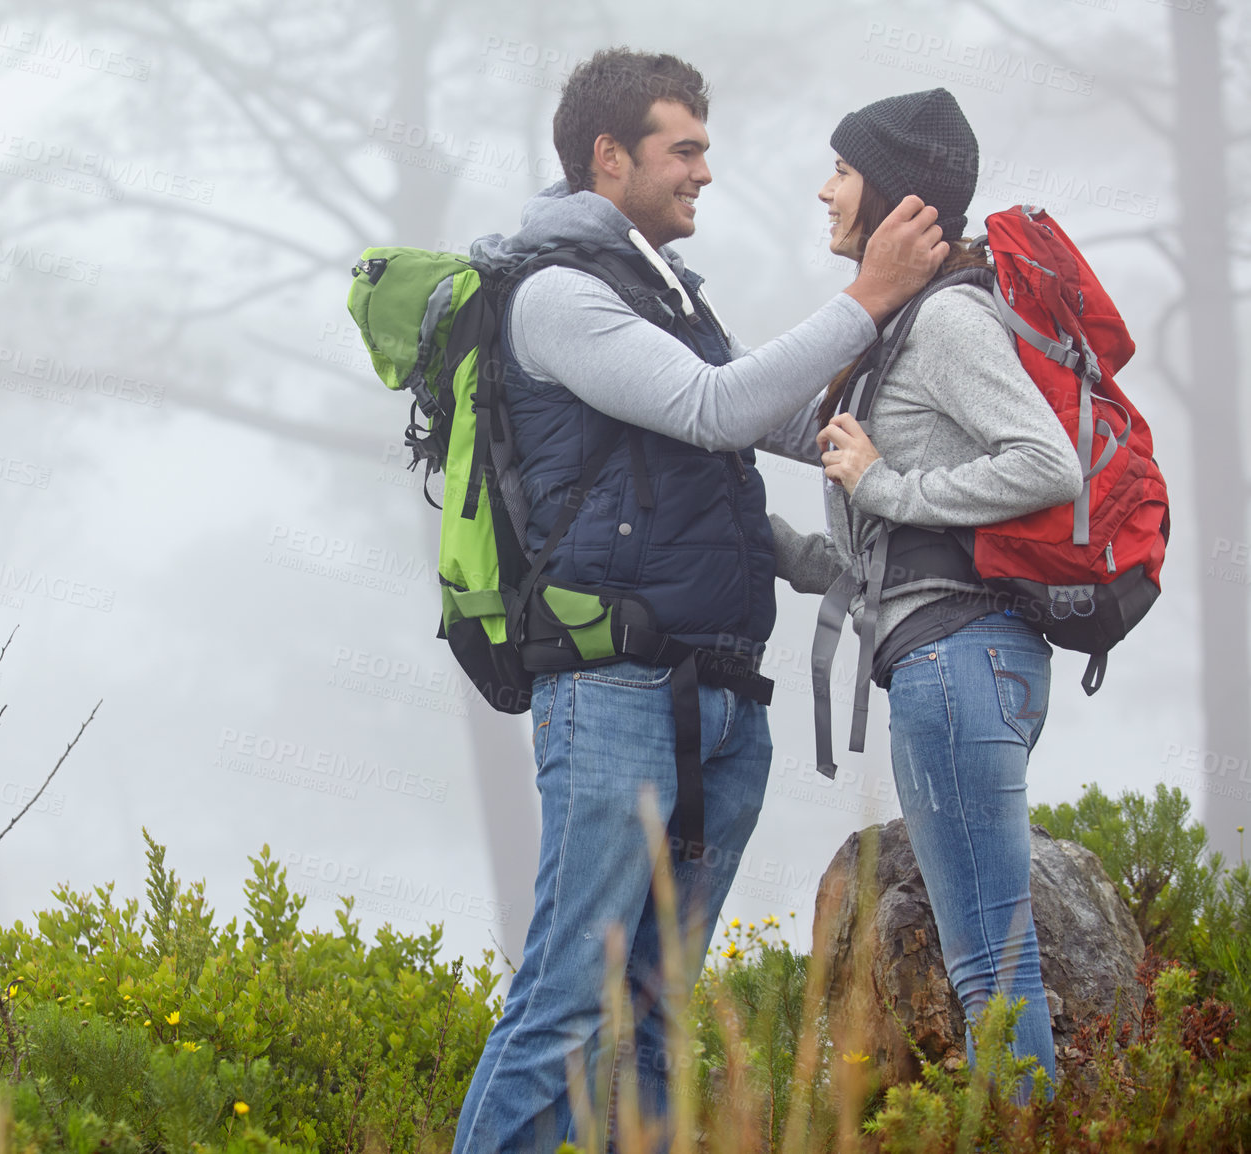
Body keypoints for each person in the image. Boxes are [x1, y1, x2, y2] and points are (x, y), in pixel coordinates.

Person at [451, 50, 948, 1152]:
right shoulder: (557, 296)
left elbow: (758, 429)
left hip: (719, 695)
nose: (704, 173)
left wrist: (916, 453)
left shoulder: (660, 291)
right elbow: (715, 407)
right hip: (614, 693)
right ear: (608, 155)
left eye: (705, 150)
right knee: (568, 1001)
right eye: (684, 149)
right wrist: (867, 296)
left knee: (659, 1011)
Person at [772, 87, 1085, 1098]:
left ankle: (1024, 1127)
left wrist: (887, 487)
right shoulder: (891, 337)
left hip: (959, 660)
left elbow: (1047, 463)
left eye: (843, 172)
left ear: (895, 193)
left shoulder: (945, 321)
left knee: (991, 968)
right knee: (989, 961)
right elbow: (762, 415)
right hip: (959, 663)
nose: (825, 191)